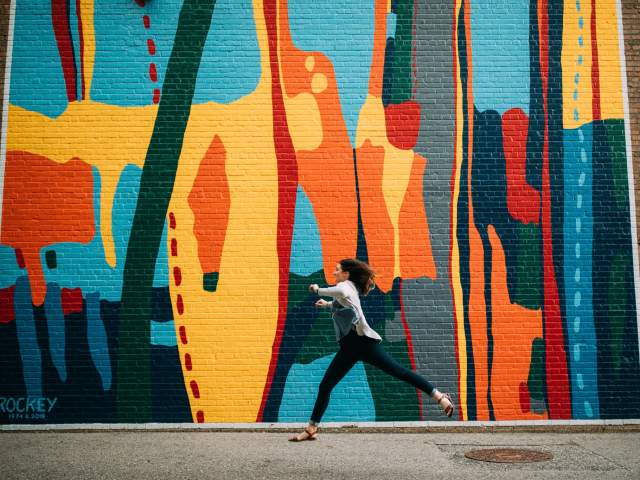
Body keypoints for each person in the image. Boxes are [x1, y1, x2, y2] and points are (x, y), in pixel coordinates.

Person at [289, 258, 454, 442]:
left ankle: (440, 397)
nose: (334, 273)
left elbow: (341, 291)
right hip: (349, 348)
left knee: (399, 371)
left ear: (346, 274)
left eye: (337, 270)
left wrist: (317, 289)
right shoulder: (348, 289)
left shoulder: (345, 285)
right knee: (326, 385)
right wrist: (327, 304)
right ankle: (312, 428)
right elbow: (344, 303)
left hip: (363, 344)